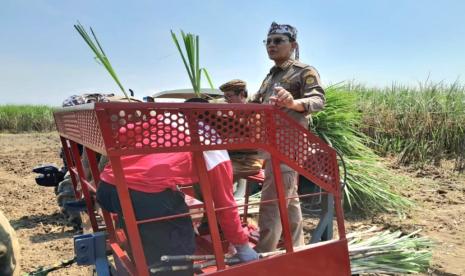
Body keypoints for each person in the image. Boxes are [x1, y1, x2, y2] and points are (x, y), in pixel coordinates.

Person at [96, 119, 258, 275]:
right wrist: (243, 247)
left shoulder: (168, 119)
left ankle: (145, 263)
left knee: (139, 226)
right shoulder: (215, 150)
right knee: (181, 240)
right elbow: (225, 206)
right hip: (141, 195)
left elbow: (121, 134)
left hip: (107, 186)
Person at [250, 22, 326, 252]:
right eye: (268, 41)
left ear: (292, 45)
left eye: (278, 41)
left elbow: (318, 100)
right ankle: (297, 245)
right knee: (287, 197)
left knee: (272, 200)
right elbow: (257, 103)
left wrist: (293, 103)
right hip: (269, 143)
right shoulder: (270, 76)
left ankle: (264, 251)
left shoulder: (304, 71)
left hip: (288, 144)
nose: (271, 45)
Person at [219, 80, 264, 198]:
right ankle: (210, 211)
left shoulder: (254, 114)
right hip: (231, 158)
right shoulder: (231, 113)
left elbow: (255, 142)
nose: (227, 100)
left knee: (216, 175)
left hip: (249, 161)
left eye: (229, 96)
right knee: (202, 174)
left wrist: (228, 142)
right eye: (225, 97)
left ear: (242, 94)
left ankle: (220, 210)